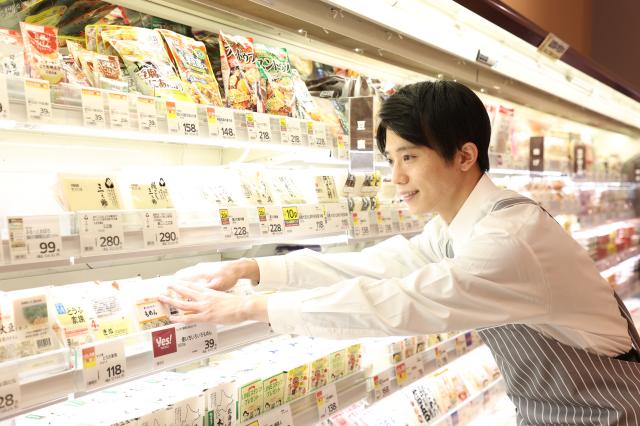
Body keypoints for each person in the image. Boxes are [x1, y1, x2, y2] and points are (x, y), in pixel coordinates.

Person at [159, 81, 640, 425]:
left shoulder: (507, 241)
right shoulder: (464, 223)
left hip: (604, 414)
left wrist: (250, 309)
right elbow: (377, 267)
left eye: (410, 157)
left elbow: (399, 304)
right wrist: (253, 268)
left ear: (465, 156)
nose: (396, 178)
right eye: (391, 159)